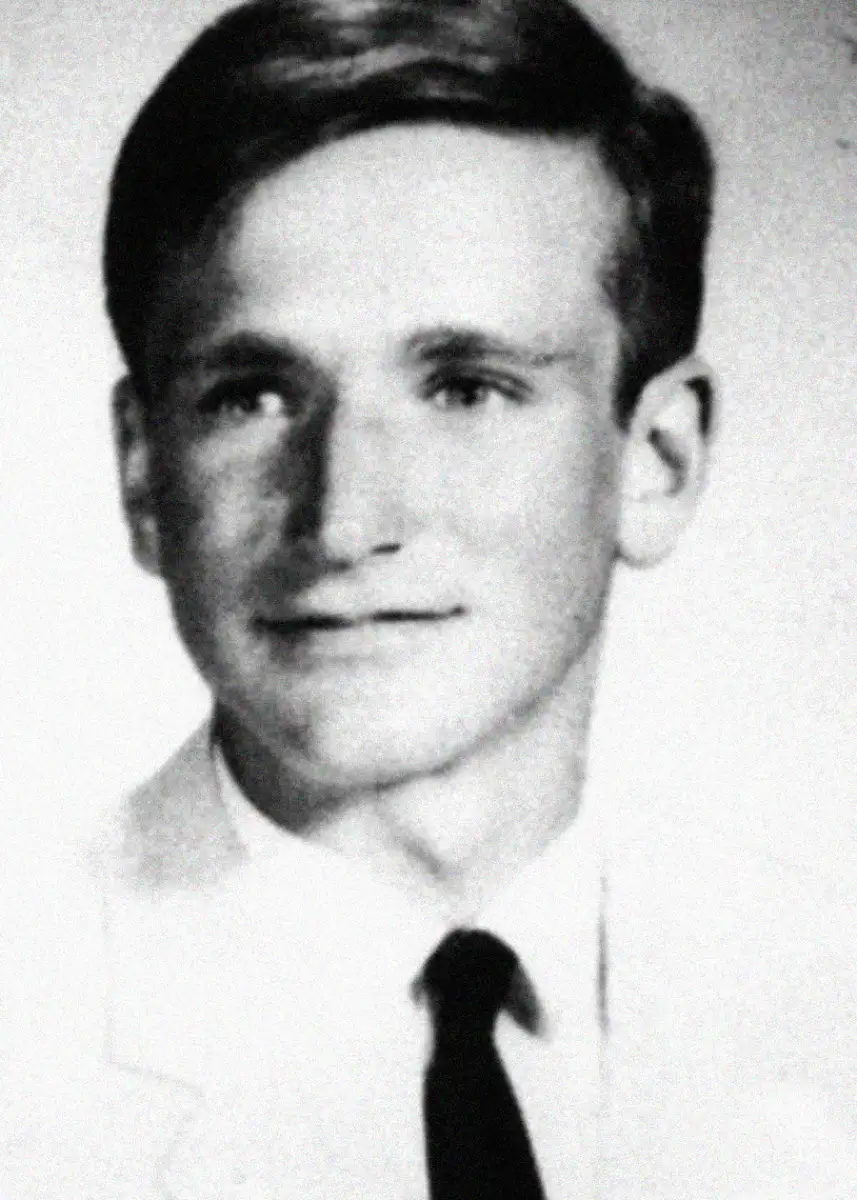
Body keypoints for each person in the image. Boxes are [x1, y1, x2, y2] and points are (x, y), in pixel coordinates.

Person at [2, 0, 854, 1196]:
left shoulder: (826, 996)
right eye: (251, 395)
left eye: (465, 388)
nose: (345, 520)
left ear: (656, 462)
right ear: (143, 473)